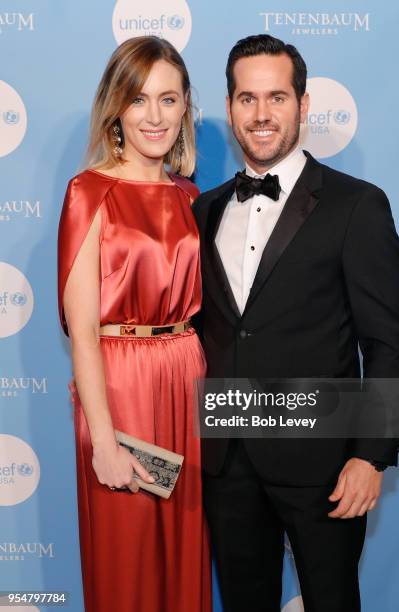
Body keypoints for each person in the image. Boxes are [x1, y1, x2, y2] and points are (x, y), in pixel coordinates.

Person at [192, 34, 399, 612]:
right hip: (227, 459)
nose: (261, 115)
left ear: (303, 104)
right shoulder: (203, 208)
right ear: (231, 105)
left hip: (325, 463)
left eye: (276, 98)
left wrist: (371, 455)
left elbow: (387, 341)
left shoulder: (355, 205)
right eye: (246, 99)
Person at [57, 36, 211, 612]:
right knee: (128, 562)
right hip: (122, 389)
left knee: (184, 554)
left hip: (187, 381)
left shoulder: (191, 196)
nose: (154, 116)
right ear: (117, 108)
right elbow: (84, 333)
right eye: (139, 99)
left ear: (185, 107)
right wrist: (103, 441)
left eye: (168, 100)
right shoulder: (89, 193)